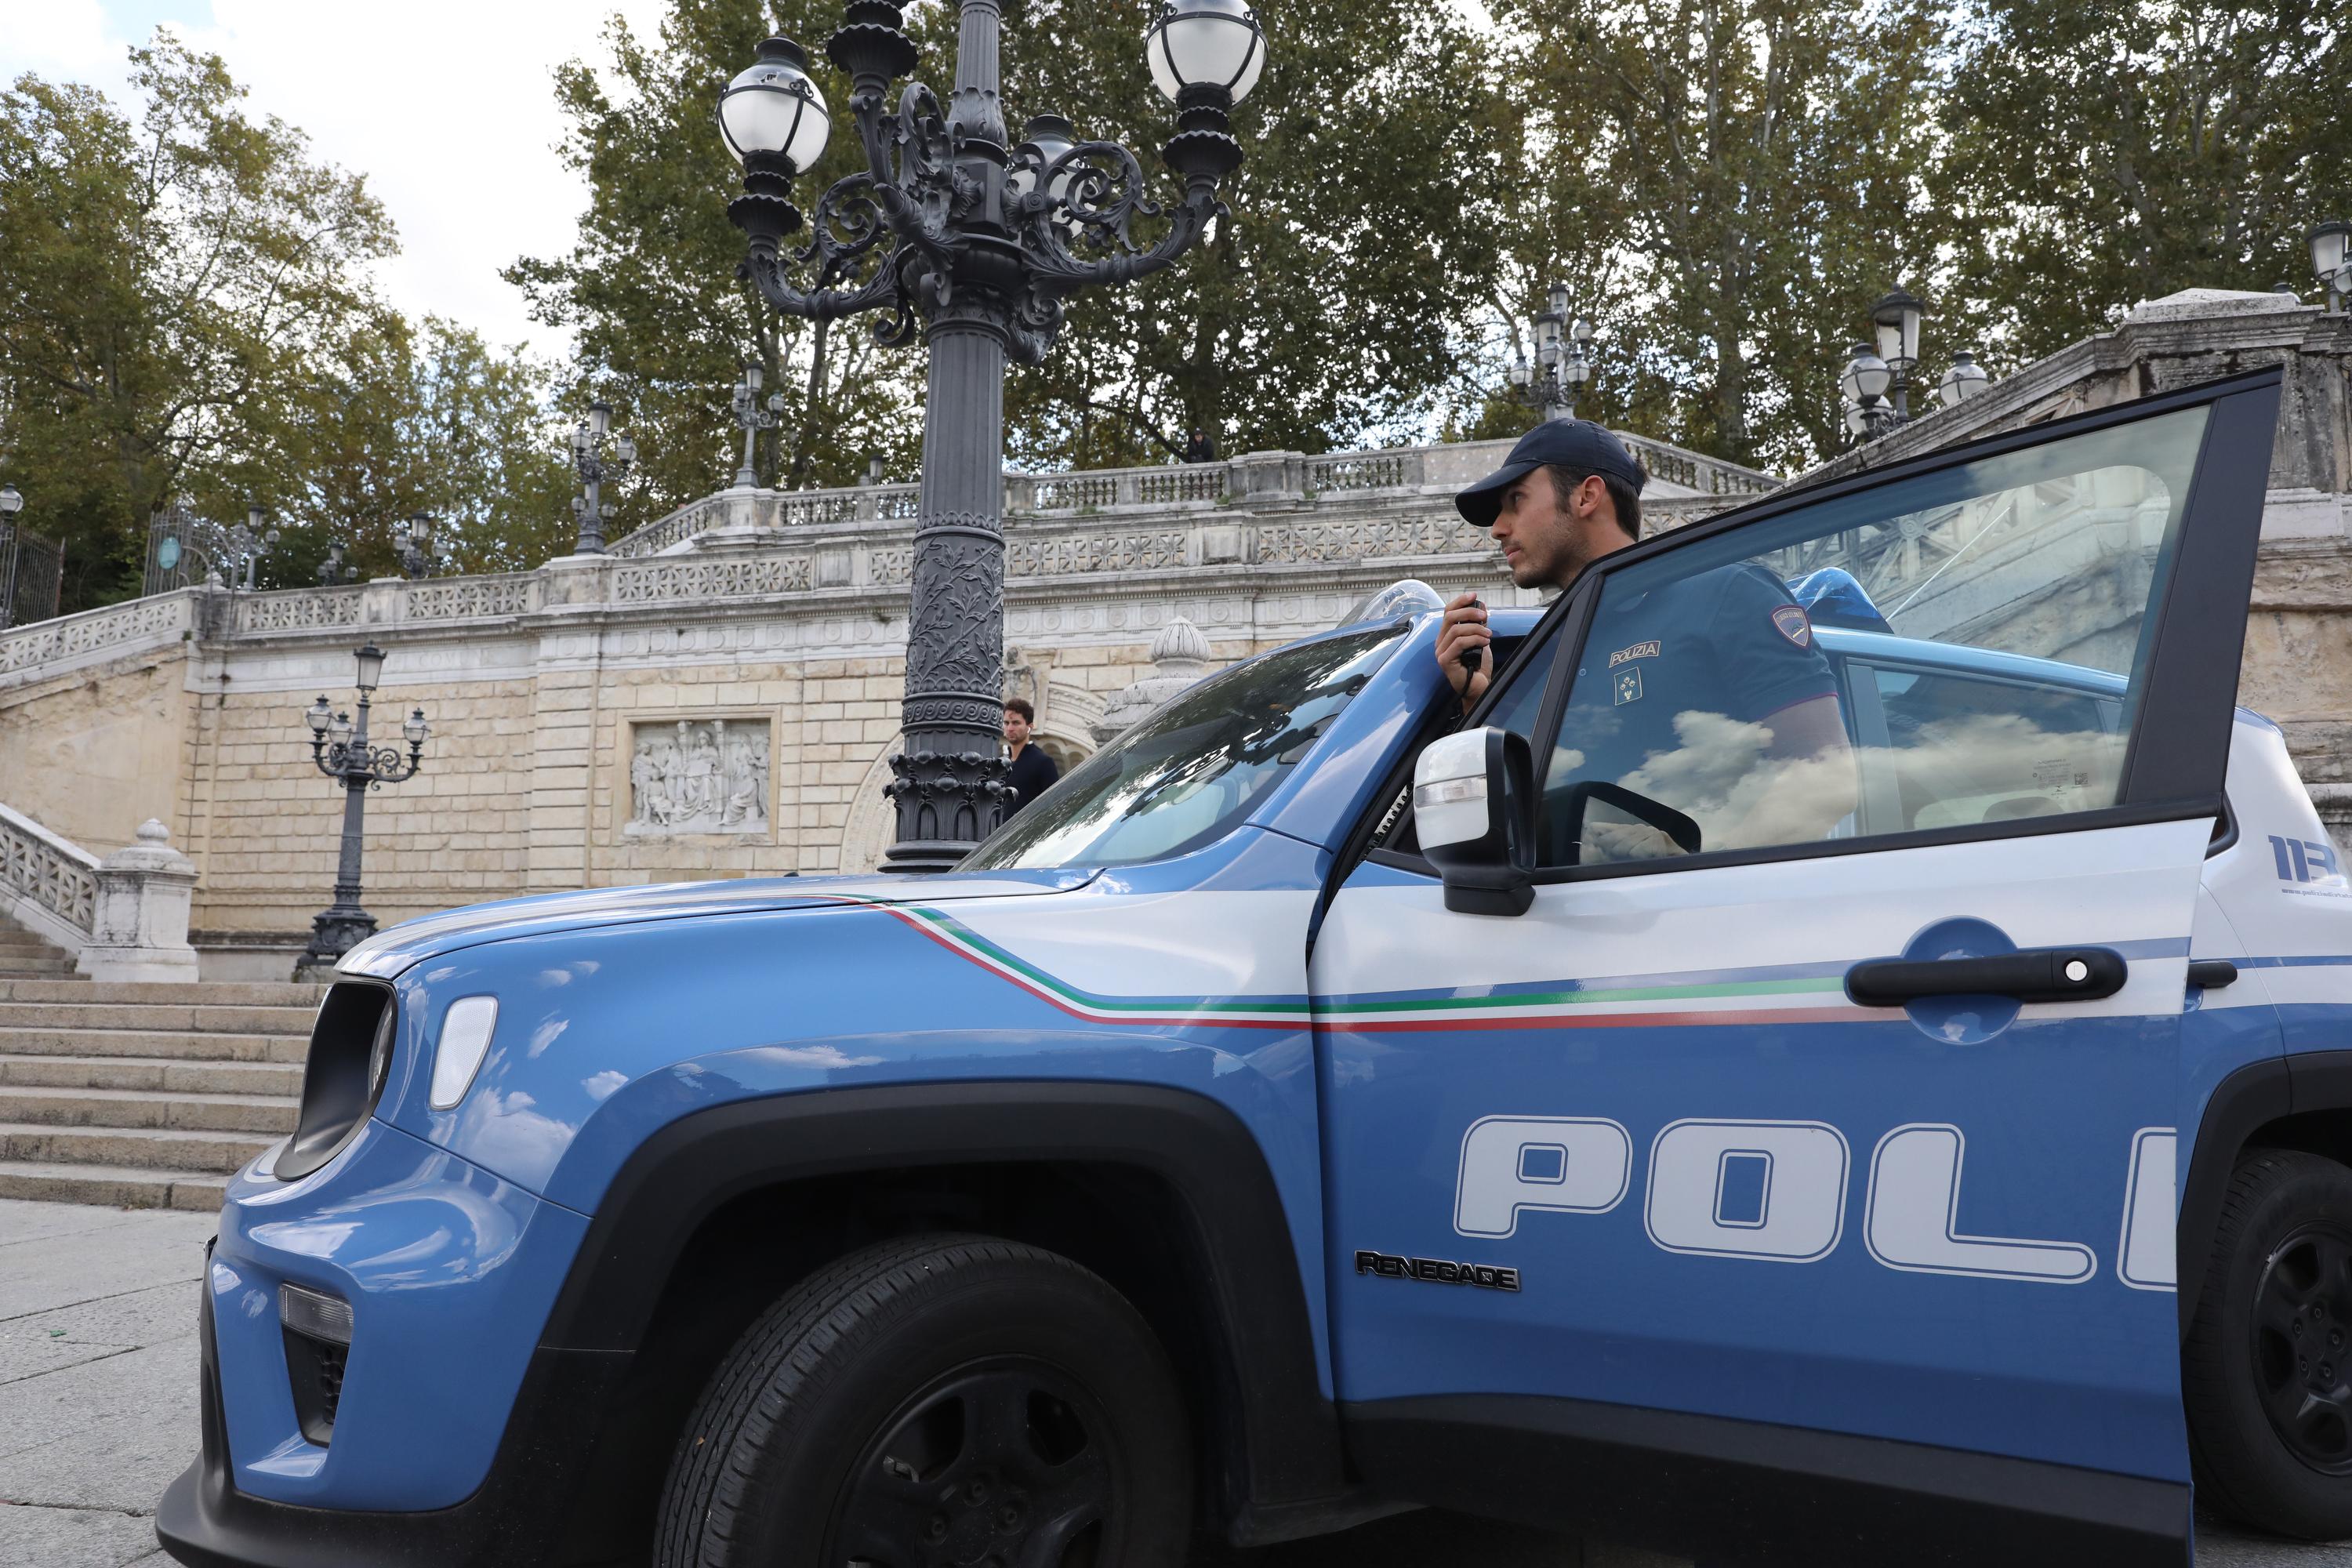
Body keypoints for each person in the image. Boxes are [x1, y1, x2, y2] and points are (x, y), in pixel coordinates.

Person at [1438, 419, 1853, 857]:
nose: (1499, 528)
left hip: (1708, 915)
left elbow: (1825, 776)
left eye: (1515, 500)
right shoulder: (1545, 650)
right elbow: (1519, 814)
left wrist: (1692, 861)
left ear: (1587, 496)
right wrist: (1478, 700)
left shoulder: (1725, 593)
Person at [1003, 699, 1059, 816]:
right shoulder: (1001, 763)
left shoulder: (1043, 762)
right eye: (1006, 723)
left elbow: (1054, 807)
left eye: (1016, 723)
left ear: (1030, 727)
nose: (1010, 728)